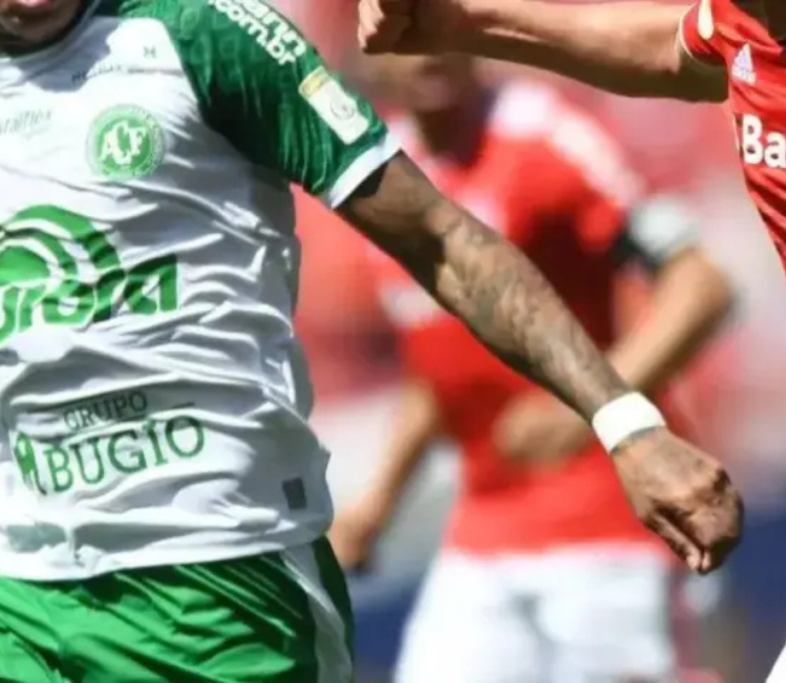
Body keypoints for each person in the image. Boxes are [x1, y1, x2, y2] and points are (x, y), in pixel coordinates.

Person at [0, 0, 745, 680]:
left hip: (221, 573)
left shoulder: (200, 40)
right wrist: (382, 496)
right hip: (27, 584)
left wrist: (623, 420)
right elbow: (439, 363)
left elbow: (684, 278)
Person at [356, 0, 786, 681]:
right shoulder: (754, 30)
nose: (782, 23)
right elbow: (671, 48)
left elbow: (699, 285)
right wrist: (463, 21)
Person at [329, 52, 735, 683]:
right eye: (403, 28)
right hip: (483, 532)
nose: (426, 47)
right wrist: (377, 504)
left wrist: (598, 413)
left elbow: (701, 286)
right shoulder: (380, 179)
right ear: (368, 46)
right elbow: (434, 367)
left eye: (438, 14)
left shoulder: (544, 136)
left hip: (603, 524)